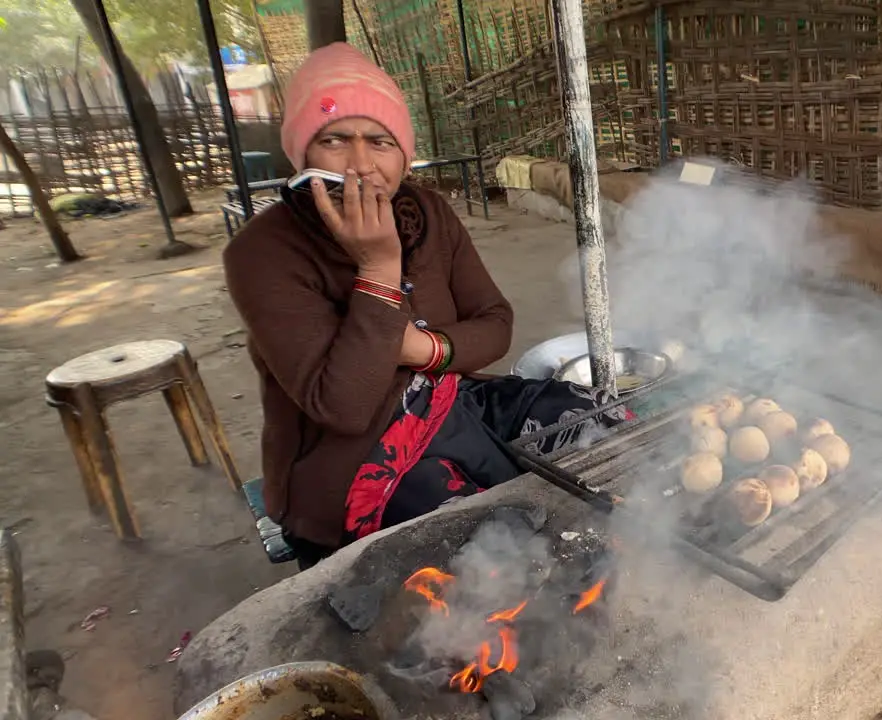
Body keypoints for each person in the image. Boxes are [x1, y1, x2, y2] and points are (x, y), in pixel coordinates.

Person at [223, 42, 627, 568]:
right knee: (494, 545)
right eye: (335, 140)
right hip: (352, 459)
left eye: (380, 142)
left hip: (455, 401)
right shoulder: (263, 251)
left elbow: (496, 325)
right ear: (303, 153)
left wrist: (420, 347)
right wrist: (377, 269)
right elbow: (343, 407)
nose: (362, 165)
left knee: (597, 423)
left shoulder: (427, 212)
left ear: (403, 153)